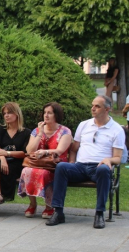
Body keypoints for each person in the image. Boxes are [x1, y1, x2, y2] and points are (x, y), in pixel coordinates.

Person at [46, 95, 125, 229]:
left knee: (104, 169)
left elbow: (117, 158)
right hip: (80, 166)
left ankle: (99, 214)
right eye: (92, 105)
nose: (93, 108)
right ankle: (58, 212)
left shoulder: (116, 129)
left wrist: (108, 160)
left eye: (97, 106)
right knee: (62, 167)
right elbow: (74, 148)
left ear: (107, 109)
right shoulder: (84, 125)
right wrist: (71, 161)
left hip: (99, 168)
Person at [17, 102, 72, 218]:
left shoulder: (65, 131)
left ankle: (49, 206)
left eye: (50, 113)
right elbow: (29, 150)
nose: (46, 115)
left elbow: (60, 150)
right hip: (37, 163)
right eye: (45, 113)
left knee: (45, 173)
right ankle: (32, 204)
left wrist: (45, 152)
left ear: (56, 115)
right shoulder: (37, 131)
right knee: (26, 171)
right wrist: (40, 134)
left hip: (55, 165)